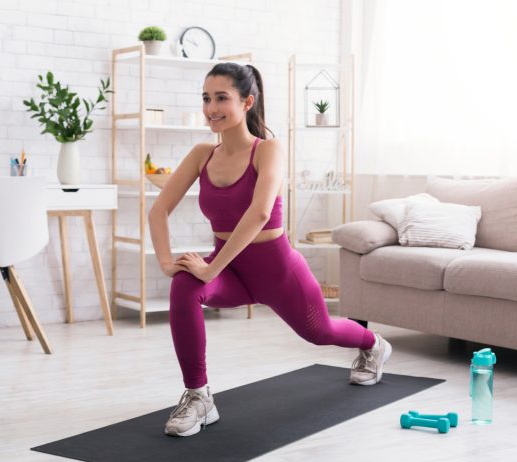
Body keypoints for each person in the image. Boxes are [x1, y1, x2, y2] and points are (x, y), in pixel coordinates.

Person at [148, 63, 392, 437]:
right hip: (231, 271)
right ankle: (199, 398)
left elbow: (260, 213)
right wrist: (168, 263)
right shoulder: (202, 154)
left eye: (221, 98)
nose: (211, 108)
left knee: (319, 332)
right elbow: (158, 209)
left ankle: (373, 345)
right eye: (206, 98)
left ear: (247, 102)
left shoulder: (269, 151)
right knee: (184, 282)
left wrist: (211, 269)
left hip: (277, 272)